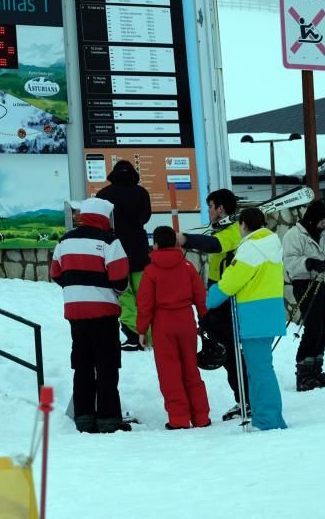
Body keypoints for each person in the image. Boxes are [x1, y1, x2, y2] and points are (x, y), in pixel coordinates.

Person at [50, 197, 131, 434]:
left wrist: (76, 287)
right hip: (103, 312)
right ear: (105, 217)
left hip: (75, 312)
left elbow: (56, 273)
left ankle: (84, 418)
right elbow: (120, 279)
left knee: (82, 364)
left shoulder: (65, 241)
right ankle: (108, 419)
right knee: (107, 365)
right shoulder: (109, 241)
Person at [209, 207, 287, 431]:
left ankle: (269, 420)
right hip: (269, 312)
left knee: (260, 370)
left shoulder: (250, 249)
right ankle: (265, 417)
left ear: (243, 225)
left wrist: (209, 298)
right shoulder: (271, 243)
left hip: (254, 315)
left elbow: (229, 283)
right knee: (260, 368)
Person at [177, 188, 250, 421]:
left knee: (232, 354)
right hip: (217, 294)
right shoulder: (221, 228)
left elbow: (215, 245)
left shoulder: (232, 231)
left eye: (210, 206)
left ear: (221, 209)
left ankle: (247, 400)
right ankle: (244, 399)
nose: (207, 211)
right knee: (227, 353)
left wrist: (185, 239)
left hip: (229, 297)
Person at [136, 226, 210, 429]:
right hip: (186, 321)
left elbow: (145, 304)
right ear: (176, 244)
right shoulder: (187, 266)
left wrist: (142, 330)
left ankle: (178, 418)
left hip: (163, 325)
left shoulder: (150, 271)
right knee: (190, 369)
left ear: (156, 245)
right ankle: (201, 416)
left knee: (169, 372)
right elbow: (201, 298)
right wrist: (204, 320)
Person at [282, 200, 325, 391]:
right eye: (321, 221)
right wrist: (309, 263)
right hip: (305, 284)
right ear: (312, 219)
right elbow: (290, 261)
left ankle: (316, 369)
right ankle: (303, 373)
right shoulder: (294, 236)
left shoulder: (322, 238)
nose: (324, 225)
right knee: (313, 327)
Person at [96, 160, 152, 351]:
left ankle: (133, 335)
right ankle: (150, 334)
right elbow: (145, 217)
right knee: (144, 294)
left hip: (114, 251)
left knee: (123, 292)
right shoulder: (141, 193)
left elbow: (100, 223)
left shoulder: (103, 195)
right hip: (139, 251)